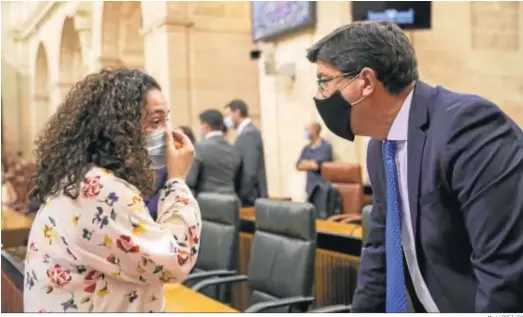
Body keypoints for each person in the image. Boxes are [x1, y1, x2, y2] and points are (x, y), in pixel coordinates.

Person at [306, 21, 523, 313]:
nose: (320, 96)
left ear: (366, 82)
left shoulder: (468, 128)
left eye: (324, 81)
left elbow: (505, 270)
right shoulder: (380, 147)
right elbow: (381, 249)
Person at [24, 68, 201, 312]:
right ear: (119, 127)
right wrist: (177, 180)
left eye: (166, 120)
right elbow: (176, 260)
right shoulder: (102, 190)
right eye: (155, 122)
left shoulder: (79, 178)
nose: (167, 134)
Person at [186, 109, 241, 196]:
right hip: (230, 201)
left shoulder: (199, 148)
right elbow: (238, 180)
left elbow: (190, 181)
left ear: (205, 126)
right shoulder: (234, 149)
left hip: (206, 203)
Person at [223, 100, 268, 206]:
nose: (225, 120)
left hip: (251, 198)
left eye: (227, 115)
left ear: (237, 112)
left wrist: (243, 195)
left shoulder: (249, 133)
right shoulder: (244, 133)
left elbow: (250, 170)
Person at [296, 121, 333, 196]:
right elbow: (298, 166)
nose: (304, 132)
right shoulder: (306, 148)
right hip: (309, 189)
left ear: (315, 130)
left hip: (322, 189)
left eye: (306, 130)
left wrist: (306, 163)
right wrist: (310, 164)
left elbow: (316, 166)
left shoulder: (325, 146)